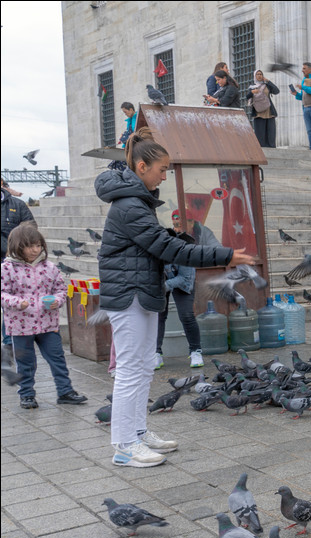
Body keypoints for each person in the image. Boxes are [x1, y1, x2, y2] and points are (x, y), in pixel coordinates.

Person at [96, 130, 253, 468]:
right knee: (129, 371)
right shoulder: (129, 205)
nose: (164, 176)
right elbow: (166, 248)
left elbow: (156, 242)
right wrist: (224, 253)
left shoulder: (135, 201)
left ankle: (137, 432)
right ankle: (124, 445)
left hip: (142, 292)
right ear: (141, 166)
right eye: (162, 169)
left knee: (141, 368)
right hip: (130, 295)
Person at [1, 222, 87, 408]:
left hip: (48, 324)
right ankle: (27, 394)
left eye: (38, 245)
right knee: (26, 363)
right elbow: (2, 293)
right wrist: (17, 303)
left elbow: (61, 289)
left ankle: (65, 391)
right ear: (17, 246)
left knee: (57, 359)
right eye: (30, 246)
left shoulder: (50, 267)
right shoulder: (7, 269)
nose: (35, 250)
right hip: (20, 326)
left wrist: (57, 299)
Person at [154, 210, 215, 370]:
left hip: (183, 282)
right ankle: (156, 353)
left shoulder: (185, 247)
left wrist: (164, 286)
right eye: (174, 224)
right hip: (164, 280)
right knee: (158, 316)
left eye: (179, 224)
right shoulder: (160, 248)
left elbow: (183, 278)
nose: (177, 228)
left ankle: (196, 351)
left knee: (186, 315)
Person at [2, 179, 35, 360]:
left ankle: (10, 342)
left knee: (9, 302)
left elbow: (30, 227)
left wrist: (18, 248)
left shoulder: (17, 205)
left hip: (15, 262)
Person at [289, 62, 311, 151]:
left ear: (310, 69)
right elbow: (303, 96)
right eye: (302, 68)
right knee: (309, 131)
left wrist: (303, 88)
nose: (302, 70)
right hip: (305, 108)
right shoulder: (304, 79)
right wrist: (296, 94)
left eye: (304, 68)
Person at [246, 70, 280, 148]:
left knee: (271, 134)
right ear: (254, 76)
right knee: (260, 135)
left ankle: (272, 149)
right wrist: (252, 92)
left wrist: (268, 81)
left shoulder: (266, 85)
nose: (259, 76)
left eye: (261, 74)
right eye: (257, 74)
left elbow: (276, 91)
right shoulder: (252, 86)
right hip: (258, 113)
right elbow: (247, 97)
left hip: (269, 112)